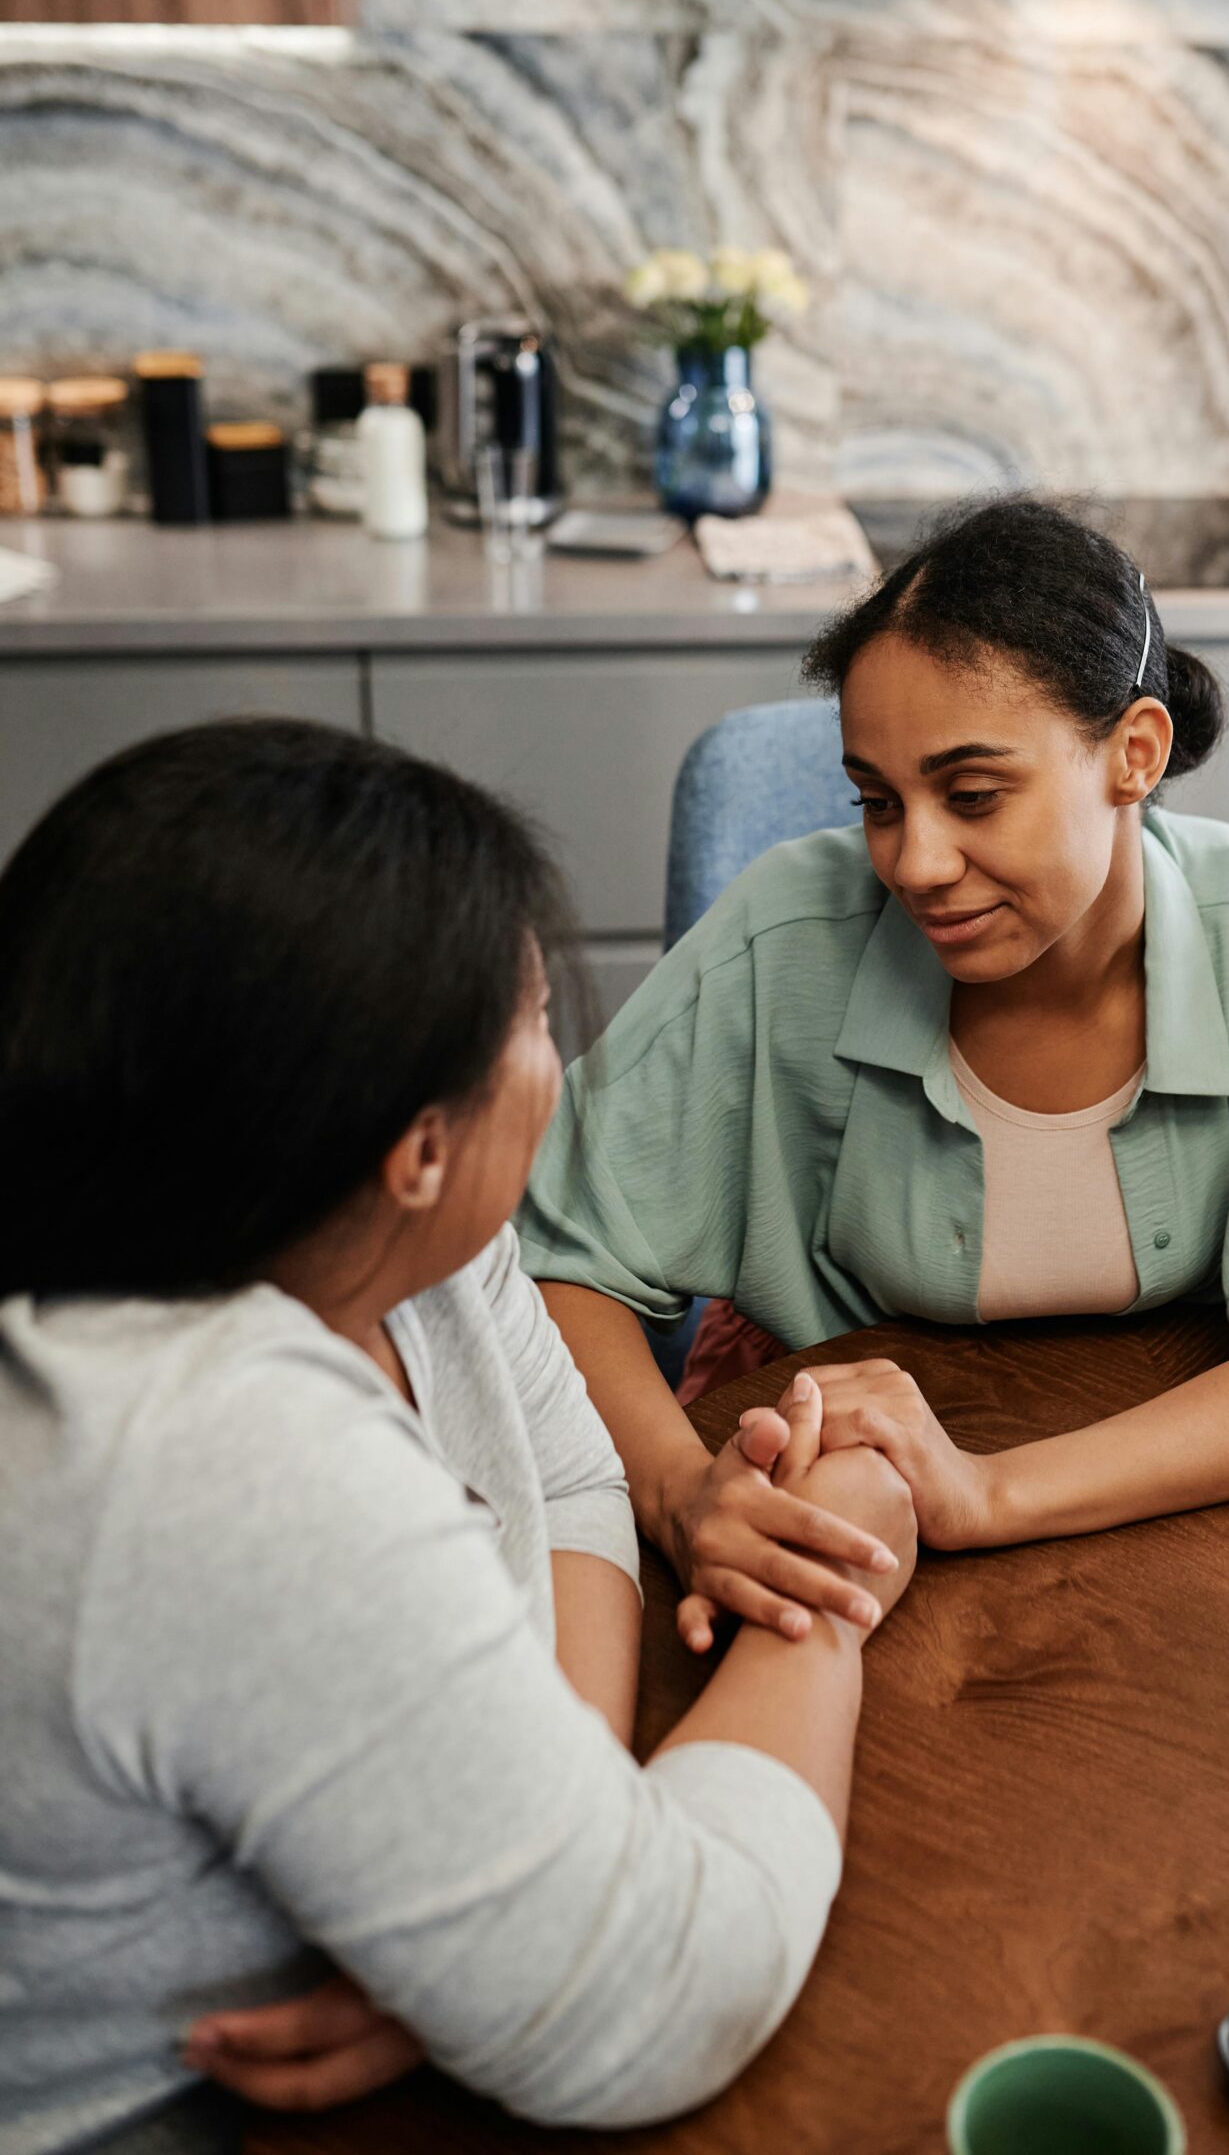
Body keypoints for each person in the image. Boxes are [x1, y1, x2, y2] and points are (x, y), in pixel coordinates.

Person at [0, 721, 914, 2155]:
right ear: (417, 1143)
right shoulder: (216, 1451)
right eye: (538, 1023)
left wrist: (515, 1877)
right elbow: (671, 1986)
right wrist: (840, 1568)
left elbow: (563, 1475)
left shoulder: (375, 1229)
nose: (555, 1063)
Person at [521, 496, 1229, 1652]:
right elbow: (559, 1261)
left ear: (1134, 754)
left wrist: (989, 1493)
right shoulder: (784, 933)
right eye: (876, 801)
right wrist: (679, 1490)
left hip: (1183, 1515)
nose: (914, 862)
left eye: (972, 796)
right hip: (846, 1490)